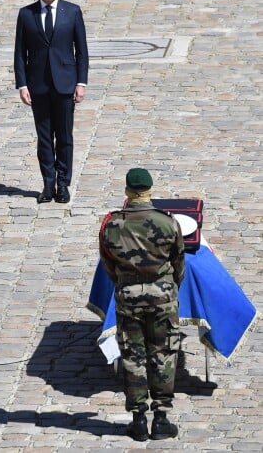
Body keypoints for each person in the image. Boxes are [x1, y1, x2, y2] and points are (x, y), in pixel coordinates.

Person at [98, 168, 185, 441]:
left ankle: (138, 420)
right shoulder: (167, 222)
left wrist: (124, 283)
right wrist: (169, 287)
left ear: (127, 191)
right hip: (163, 298)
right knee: (163, 354)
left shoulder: (112, 224)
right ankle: (161, 419)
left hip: (128, 298)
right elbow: (179, 263)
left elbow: (107, 263)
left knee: (133, 356)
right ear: (149, 191)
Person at [14, 0, 89, 204]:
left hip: (65, 85)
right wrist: (22, 84)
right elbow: (19, 53)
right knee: (44, 137)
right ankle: (48, 183)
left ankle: (63, 183)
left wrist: (81, 82)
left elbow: (82, 51)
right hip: (39, 86)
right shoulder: (27, 14)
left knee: (65, 137)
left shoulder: (72, 12)